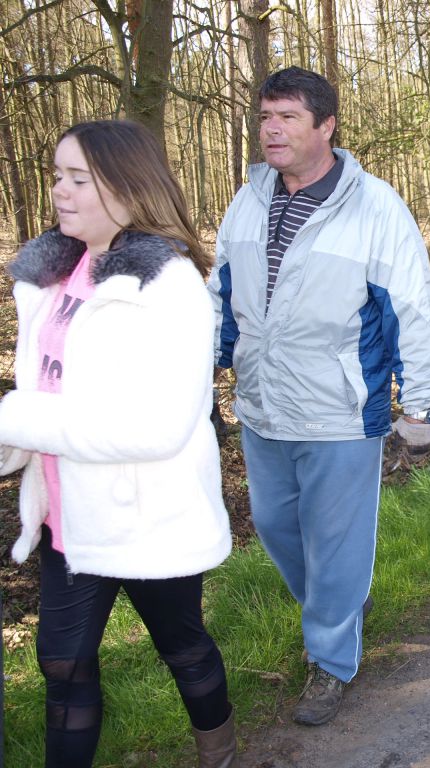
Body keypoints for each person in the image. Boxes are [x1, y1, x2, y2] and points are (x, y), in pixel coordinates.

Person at [209, 67, 430, 726]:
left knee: (336, 544)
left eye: (287, 117)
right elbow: (221, 296)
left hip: (341, 409)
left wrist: (419, 403)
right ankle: (338, 605)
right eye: (265, 117)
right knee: (277, 527)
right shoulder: (248, 200)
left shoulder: (375, 207)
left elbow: (411, 307)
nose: (271, 129)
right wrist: (201, 373)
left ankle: (331, 660)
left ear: (326, 126)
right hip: (264, 405)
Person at [0, 121, 237, 766]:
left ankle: (220, 752)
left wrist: (17, 420)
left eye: (79, 179)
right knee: (62, 664)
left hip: (146, 515)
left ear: (129, 188)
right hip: (68, 517)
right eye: (57, 175)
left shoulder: (169, 286)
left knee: (182, 647)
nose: (60, 190)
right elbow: (45, 385)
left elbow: (158, 428)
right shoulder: (53, 276)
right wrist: (15, 440)